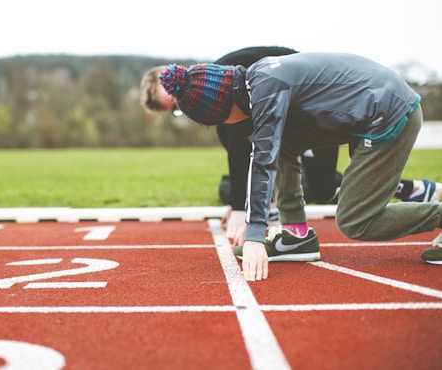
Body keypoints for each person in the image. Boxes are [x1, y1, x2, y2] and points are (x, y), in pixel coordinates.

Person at [158, 52, 442, 281]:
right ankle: (296, 235)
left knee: (357, 220)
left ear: (222, 110)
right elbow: (269, 147)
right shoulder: (258, 78)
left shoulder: (267, 89)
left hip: (390, 113)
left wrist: (255, 235)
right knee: (280, 142)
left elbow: (263, 160)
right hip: (371, 107)